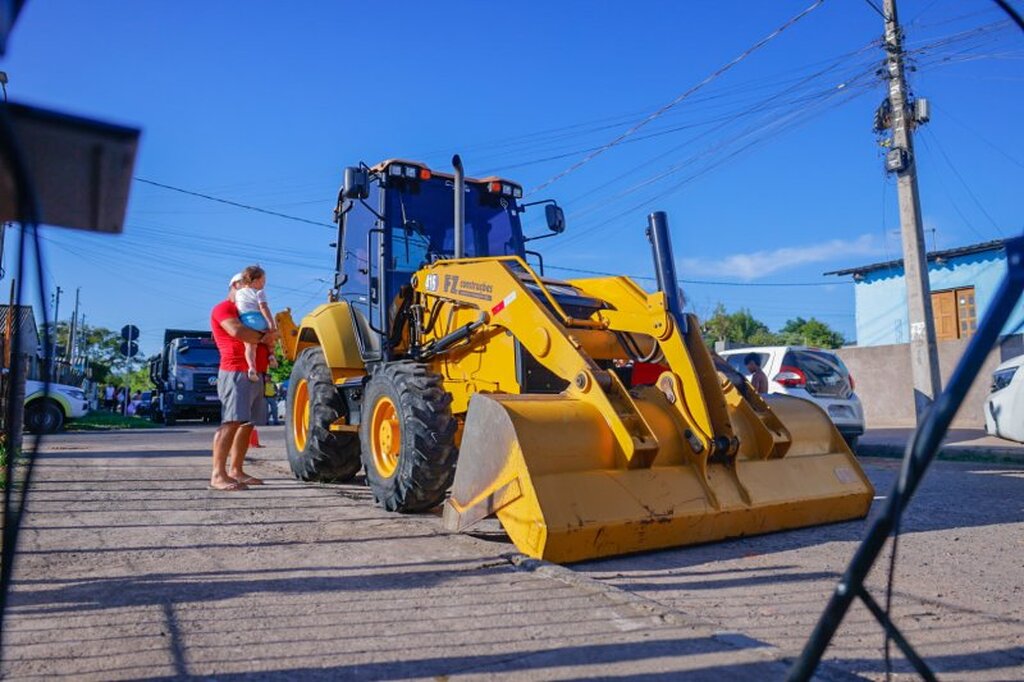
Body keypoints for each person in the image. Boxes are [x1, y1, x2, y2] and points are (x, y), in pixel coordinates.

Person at [209, 274, 279, 491]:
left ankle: (236, 470)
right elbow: (237, 331)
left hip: (256, 372)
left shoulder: (250, 311)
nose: (250, 289)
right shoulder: (224, 309)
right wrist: (264, 338)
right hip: (235, 371)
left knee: (247, 424)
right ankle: (218, 474)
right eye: (246, 284)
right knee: (231, 421)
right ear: (235, 286)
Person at [234, 265, 277, 382]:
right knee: (270, 337)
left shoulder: (238, 293)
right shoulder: (259, 293)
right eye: (263, 281)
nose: (264, 284)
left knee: (250, 346)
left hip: (246, 322)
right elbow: (264, 307)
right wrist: (270, 323)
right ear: (255, 281)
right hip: (259, 319)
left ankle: (252, 368)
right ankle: (272, 355)